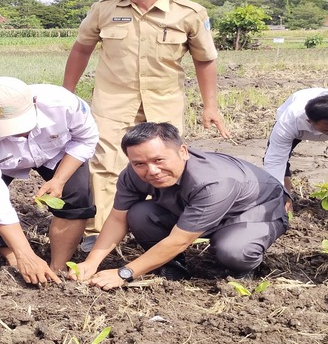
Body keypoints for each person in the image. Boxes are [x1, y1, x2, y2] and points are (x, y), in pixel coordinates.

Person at [62, 0, 230, 238]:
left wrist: (210, 106)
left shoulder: (188, 13)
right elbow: (81, 48)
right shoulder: (104, 8)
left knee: (163, 166)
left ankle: (153, 226)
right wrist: (67, 93)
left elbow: (205, 59)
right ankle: (98, 234)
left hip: (164, 104)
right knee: (104, 164)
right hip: (112, 102)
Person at [73, 122, 288, 290]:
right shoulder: (133, 174)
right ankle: (171, 267)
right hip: (198, 208)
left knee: (234, 251)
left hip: (253, 209)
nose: (152, 171)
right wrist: (92, 262)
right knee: (139, 214)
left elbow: (179, 240)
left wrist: (125, 273)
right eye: (139, 163)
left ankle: (245, 268)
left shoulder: (214, 182)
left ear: (183, 151)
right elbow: (118, 218)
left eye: (159, 160)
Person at [0, 76, 98, 286]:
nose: (16, 132)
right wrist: (24, 254)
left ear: (34, 103)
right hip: (3, 160)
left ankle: (57, 266)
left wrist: (59, 179)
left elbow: (85, 139)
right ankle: (11, 254)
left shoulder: (64, 103)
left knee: (76, 194)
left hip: (55, 152)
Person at [262, 88, 328, 216]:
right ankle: (285, 206)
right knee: (281, 166)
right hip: (296, 128)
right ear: (309, 122)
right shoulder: (289, 121)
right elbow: (276, 161)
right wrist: (280, 194)